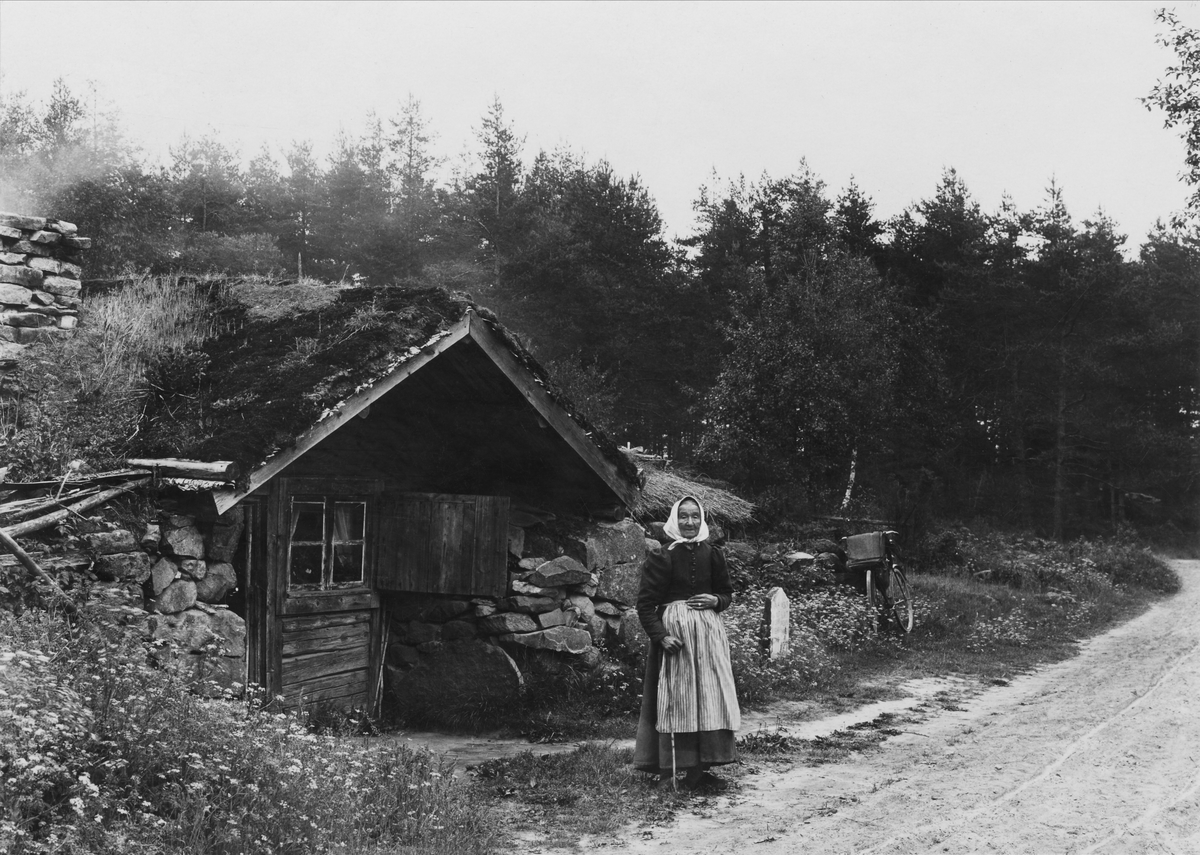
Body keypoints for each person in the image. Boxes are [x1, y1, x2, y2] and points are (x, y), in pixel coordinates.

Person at [634, 496, 740, 790]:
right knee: (674, 700)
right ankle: (667, 772)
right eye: (683, 516)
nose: (689, 522)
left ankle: (699, 771)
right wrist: (661, 636)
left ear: (702, 519)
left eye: (695, 516)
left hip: (708, 639)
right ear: (674, 519)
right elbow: (645, 604)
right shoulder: (662, 556)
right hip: (675, 639)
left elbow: (727, 594)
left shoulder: (713, 554)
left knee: (708, 699)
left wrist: (716, 600)